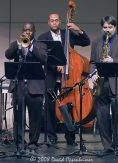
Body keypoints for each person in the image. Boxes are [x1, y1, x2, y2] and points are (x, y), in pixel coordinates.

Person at [38, 13, 90, 146]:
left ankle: (70, 136)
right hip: (51, 77)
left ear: (60, 21)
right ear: (48, 22)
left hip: (69, 77)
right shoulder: (43, 38)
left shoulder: (68, 33)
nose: (54, 23)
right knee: (50, 107)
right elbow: (42, 57)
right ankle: (51, 136)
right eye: (52, 21)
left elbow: (86, 42)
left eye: (56, 20)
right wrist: (56, 65)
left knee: (70, 107)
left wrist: (78, 29)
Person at [89, 16, 118, 153]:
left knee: (117, 116)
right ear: (102, 28)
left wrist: (113, 60)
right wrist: (92, 73)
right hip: (101, 83)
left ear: (115, 27)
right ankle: (107, 146)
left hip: (117, 83)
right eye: (105, 27)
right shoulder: (96, 42)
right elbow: (92, 62)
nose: (107, 30)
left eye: (110, 27)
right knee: (102, 117)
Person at [5, 22, 47, 150]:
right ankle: (19, 141)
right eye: (25, 30)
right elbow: (8, 54)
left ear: (34, 31)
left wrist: (31, 47)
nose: (27, 32)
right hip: (19, 85)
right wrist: (18, 44)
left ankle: (33, 142)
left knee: (35, 116)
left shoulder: (41, 45)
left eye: (30, 30)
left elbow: (44, 59)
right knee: (18, 116)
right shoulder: (16, 43)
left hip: (36, 86)